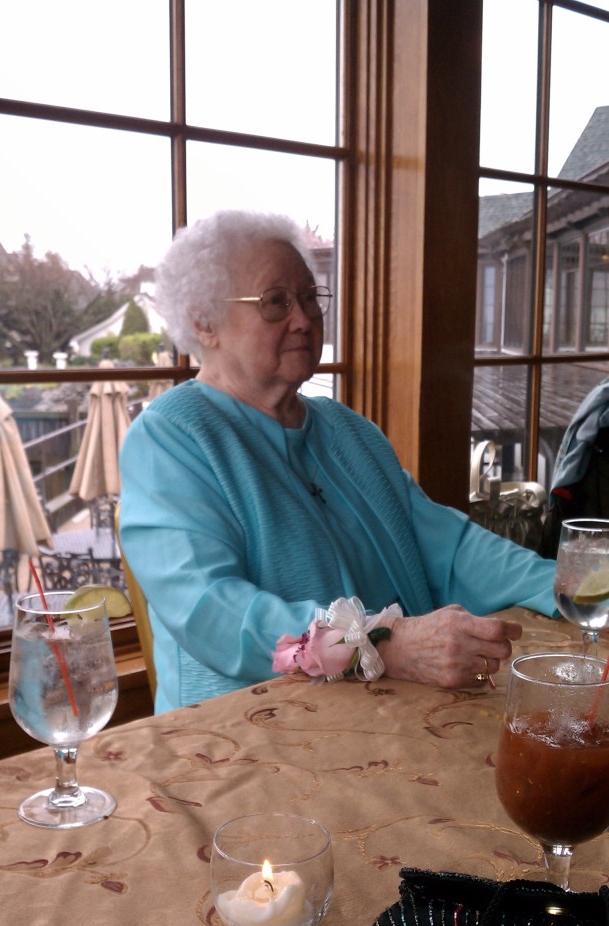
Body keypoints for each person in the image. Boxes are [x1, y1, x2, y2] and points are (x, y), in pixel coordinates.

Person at [119, 210, 557, 713]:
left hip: (394, 714)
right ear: (203, 322)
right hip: (250, 739)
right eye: (276, 302)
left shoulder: (348, 430)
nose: (304, 318)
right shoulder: (171, 437)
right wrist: (378, 643)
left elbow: (451, 549)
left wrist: (573, 585)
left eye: (310, 297)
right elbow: (211, 610)